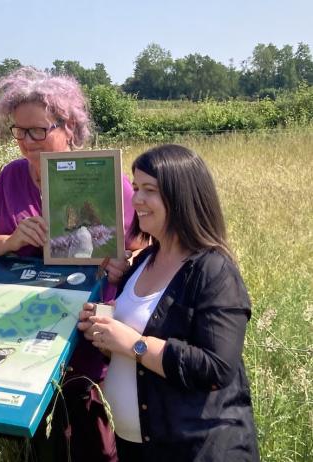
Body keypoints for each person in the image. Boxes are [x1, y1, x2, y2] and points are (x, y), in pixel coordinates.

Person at [0, 67, 142, 461]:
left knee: (90, 445)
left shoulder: (107, 180)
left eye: (39, 130)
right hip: (18, 339)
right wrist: (9, 241)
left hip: (83, 346)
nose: (26, 142)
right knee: (36, 449)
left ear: (69, 126)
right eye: (19, 131)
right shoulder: (10, 178)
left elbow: (144, 255)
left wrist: (125, 264)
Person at [78, 144, 259, 461]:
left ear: (183, 196)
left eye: (150, 190)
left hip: (194, 448)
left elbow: (216, 368)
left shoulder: (214, 271)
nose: (136, 200)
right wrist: (104, 333)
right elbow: (126, 345)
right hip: (138, 445)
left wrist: (134, 344)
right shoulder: (145, 259)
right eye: (136, 188)